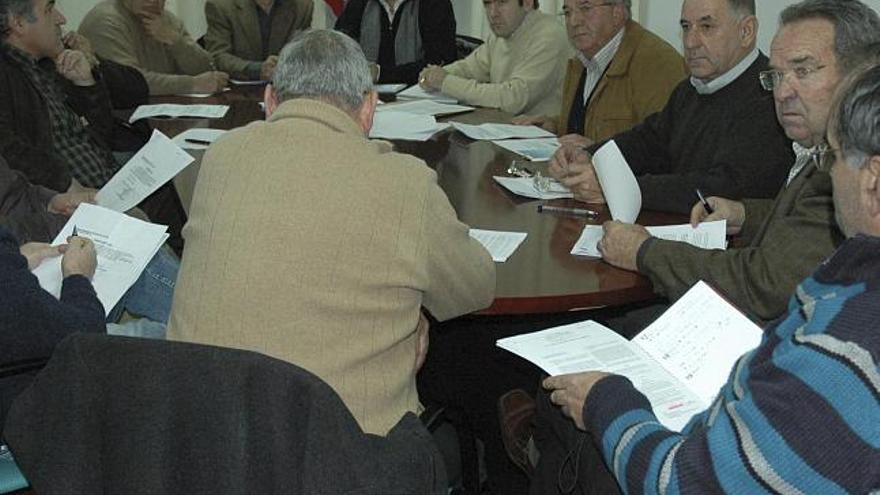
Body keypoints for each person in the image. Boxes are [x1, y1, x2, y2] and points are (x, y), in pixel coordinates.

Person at [530, 51, 880, 495]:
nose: (826, 173)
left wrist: (606, 400)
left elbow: (687, 482)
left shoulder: (844, 342)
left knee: (576, 424)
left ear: (872, 180)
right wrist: (747, 216)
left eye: (832, 157)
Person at [168, 30, 496, 436]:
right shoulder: (404, 183)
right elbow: (475, 288)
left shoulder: (220, 157)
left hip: (203, 442)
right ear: (368, 109)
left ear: (269, 101)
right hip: (342, 456)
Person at [598, 0, 880, 325]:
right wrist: (746, 214)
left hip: (769, 346)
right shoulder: (819, 148)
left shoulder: (849, 171)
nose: (783, 92)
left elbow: (763, 287)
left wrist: (644, 252)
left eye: (802, 70)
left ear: (859, 74)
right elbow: (807, 227)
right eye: (776, 76)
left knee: (604, 328)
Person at [549, 0, 793, 213]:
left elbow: (725, 188)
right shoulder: (691, 88)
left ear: (746, 31)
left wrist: (619, 188)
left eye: (706, 27)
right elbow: (648, 142)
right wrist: (590, 156)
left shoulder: (771, 95)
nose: (690, 41)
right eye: (686, 27)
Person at [514, 0, 685, 143]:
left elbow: (664, 148)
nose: (573, 21)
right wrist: (555, 125)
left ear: (617, 12)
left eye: (585, 8)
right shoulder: (581, 61)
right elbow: (593, 122)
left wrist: (597, 152)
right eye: (567, 13)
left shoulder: (657, 63)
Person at [0, 225, 102, 425]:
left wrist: (12, 263)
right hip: (22, 427)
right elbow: (84, 339)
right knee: (152, 334)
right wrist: (78, 276)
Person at [417, 0, 568, 116]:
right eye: (487, 3)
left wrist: (445, 82)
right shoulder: (502, 35)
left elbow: (513, 99)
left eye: (502, 2)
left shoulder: (550, 36)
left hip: (545, 143)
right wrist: (432, 74)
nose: (493, 13)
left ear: (527, 2)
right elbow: (469, 68)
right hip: (507, 131)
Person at [79, 0, 229, 95]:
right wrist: (192, 84)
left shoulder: (167, 19)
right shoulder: (106, 20)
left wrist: (176, 41)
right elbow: (130, 83)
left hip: (166, 111)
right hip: (121, 119)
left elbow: (206, 69)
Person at [335, 0, 456, 85]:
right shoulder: (360, 3)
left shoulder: (435, 4)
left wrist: (379, 73)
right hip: (366, 97)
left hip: (421, 98)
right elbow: (337, 52)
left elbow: (440, 63)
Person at [203, 0, 314, 81]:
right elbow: (217, 56)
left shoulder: (302, 5)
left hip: (286, 90)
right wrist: (257, 69)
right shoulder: (221, 6)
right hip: (238, 93)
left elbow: (304, 54)